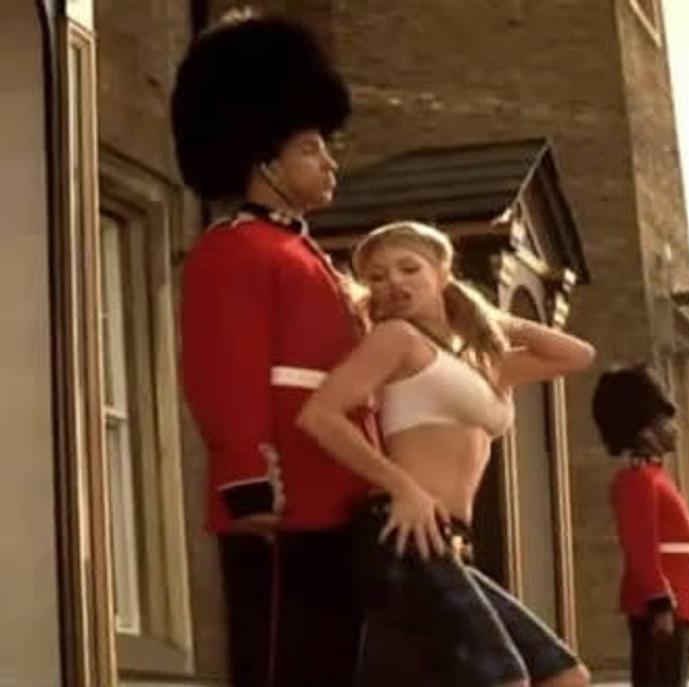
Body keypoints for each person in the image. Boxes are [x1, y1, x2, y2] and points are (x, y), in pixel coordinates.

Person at [295, 221, 594, 687]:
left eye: (409, 268)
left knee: (564, 676)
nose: (393, 283)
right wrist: (403, 487)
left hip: (449, 538)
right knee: (502, 677)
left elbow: (576, 354)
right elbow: (319, 415)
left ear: (443, 272)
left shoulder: (482, 362)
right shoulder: (395, 339)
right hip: (400, 526)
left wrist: (488, 317)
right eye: (376, 277)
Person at [172, 11, 374, 686]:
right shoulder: (232, 250)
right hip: (285, 503)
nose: (329, 161)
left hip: (336, 495)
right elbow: (223, 377)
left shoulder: (302, 252)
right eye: (311, 148)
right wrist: (248, 486)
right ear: (264, 160)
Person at [591, 364, 689, 687]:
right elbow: (640, 547)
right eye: (664, 421)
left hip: (678, 599)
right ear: (644, 432)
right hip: (663, 605)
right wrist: (660, 603)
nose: (674, 429)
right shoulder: (637, 480)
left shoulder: (653, 477)